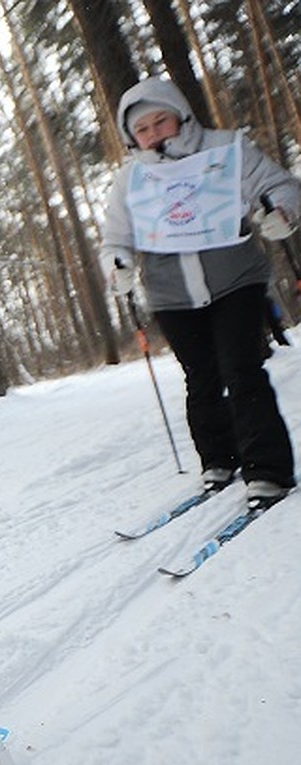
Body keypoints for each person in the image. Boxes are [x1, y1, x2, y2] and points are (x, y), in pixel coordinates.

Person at [100, 76, 299, 509]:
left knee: (241, 369)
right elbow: (116, 236)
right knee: (201, 378)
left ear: (180, 116)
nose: (154, 134)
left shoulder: (224, 148)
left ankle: (268, 470)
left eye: (161, 121)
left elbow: (278, 185)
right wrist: (118, 264)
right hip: (171, 292)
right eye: (143, 129)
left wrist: (279, 210)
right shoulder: (130, 178)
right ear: (132, 137)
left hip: (234, 279)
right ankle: (219, 459)